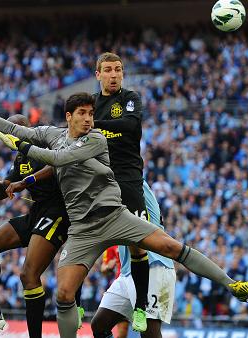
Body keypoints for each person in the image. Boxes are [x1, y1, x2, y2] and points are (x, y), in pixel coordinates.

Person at [0, 92, 248, 338]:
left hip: (115, 216)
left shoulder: (96, 140)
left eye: (91, 113)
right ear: (68, 116)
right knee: (64, 294)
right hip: (82, 228)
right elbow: (19, 129)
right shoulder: (52, 134)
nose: (88, 118)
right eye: (81, 113)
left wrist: (18, 144)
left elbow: (57, 159)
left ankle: (232, 284)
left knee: (171, 247)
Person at [0, 115, 74, 337]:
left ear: (28, 129)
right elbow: (3, 192)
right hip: (37, 212)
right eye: (9, 131)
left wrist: (25, 181)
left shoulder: (44, 143)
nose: (11, 134)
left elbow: (56, 164)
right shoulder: (21, 157)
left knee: (28, 274)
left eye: (16, 129)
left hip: (58, 212)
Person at [92, 51, 154, 332]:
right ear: (98, 75)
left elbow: (130, 126)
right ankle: (78, 302)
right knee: (82, 237)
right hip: (98, 178)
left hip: (128, 178)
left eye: (118, 69)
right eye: (108, 70)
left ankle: (140, 308)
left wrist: (96, 126)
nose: (114, 74)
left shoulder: (130, 98)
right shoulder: (90, 105)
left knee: (137, 244)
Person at [91, 184, 176, 338]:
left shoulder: (137, 185)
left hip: (154, 267)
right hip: (127, 272)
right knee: (99, 325)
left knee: (149, 332)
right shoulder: (117, 190)